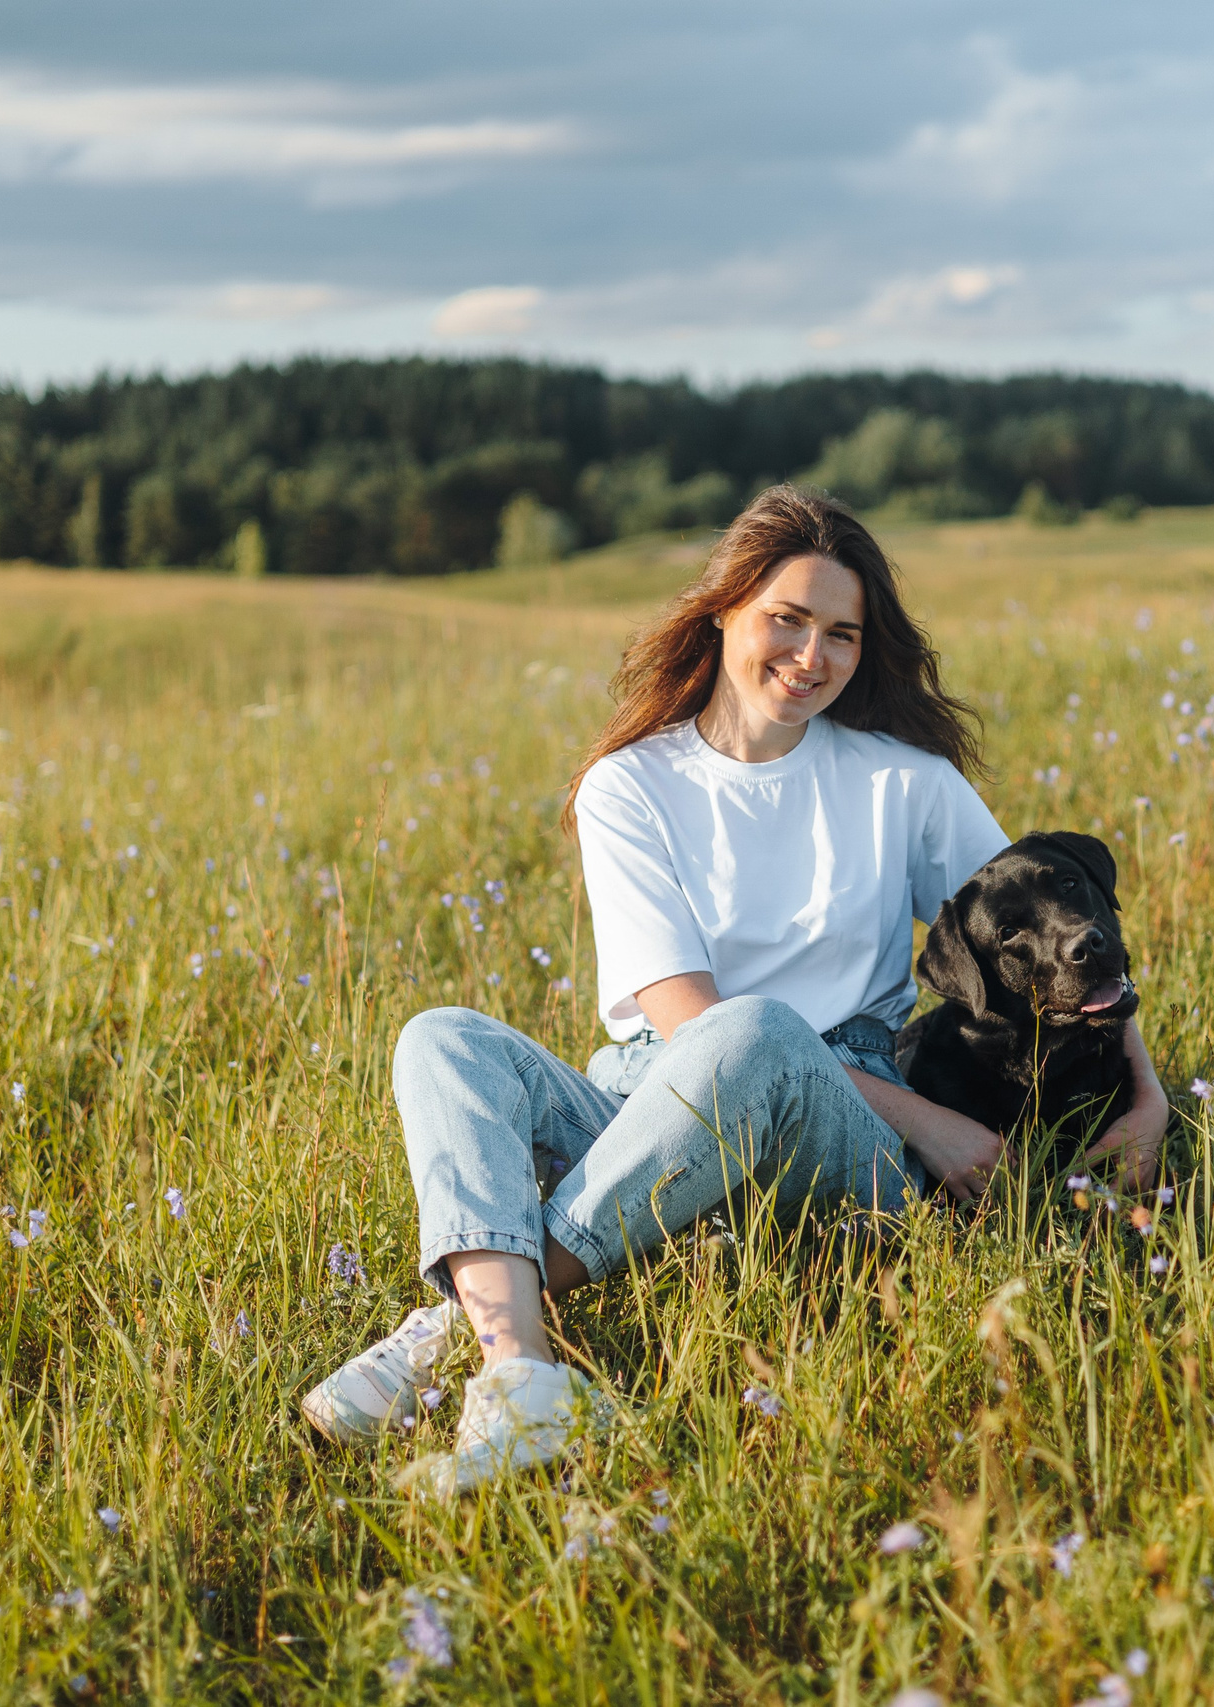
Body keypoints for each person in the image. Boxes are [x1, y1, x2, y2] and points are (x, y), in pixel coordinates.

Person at [300, 485, 1169, 1494]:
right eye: (787, 621)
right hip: (646, 1099)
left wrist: (1142, 1094)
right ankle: (518, 1375)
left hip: (840, 1133)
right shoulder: (630, 784)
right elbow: (685, 1024)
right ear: (721, 611)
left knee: (760, 1033)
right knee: (440, 1036)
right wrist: (929, 1120)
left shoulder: (904, 780)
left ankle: (472, 1323)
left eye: (841, 634)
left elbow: (1065, 946)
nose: (813, 658)